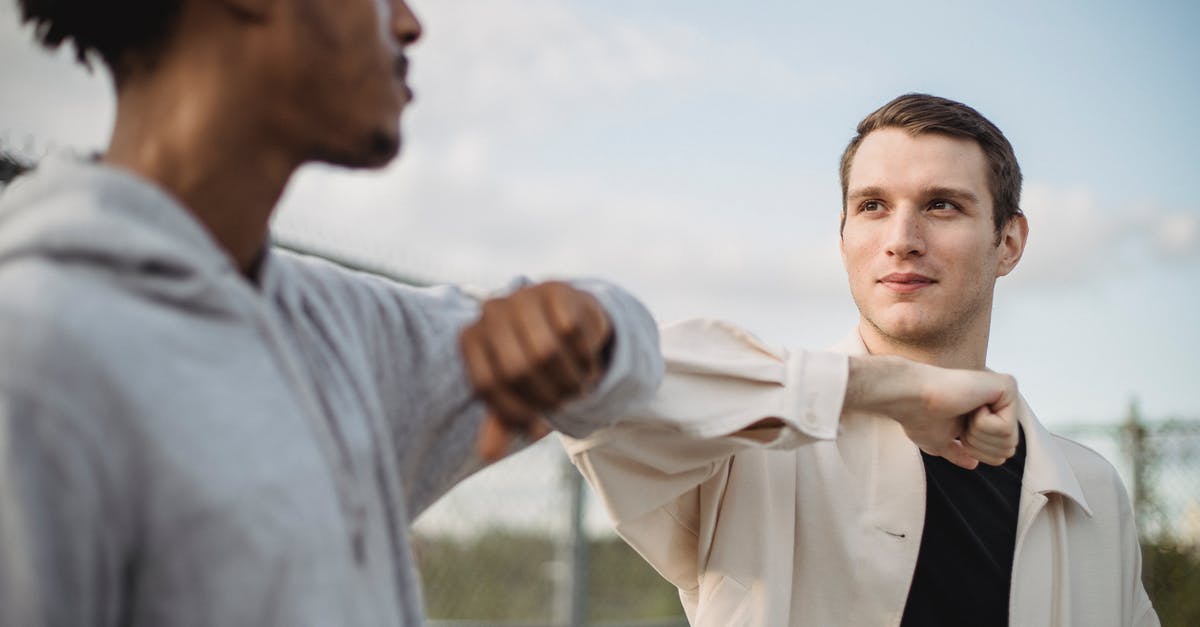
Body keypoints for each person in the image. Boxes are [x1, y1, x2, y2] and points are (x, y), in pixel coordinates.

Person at [0, 1, 667, 625]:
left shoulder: (334, 325)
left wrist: (582, 323)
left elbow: (630, 354)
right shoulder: (35, 358)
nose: (408, 24)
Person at [564, 94, 1159, 626]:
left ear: (1008, 242)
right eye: (873, 205)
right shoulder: (752, 450)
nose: (902, 237)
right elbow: (591, 383)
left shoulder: (1093, 493)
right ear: (843, 235)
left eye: (943, 205)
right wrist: (886, 389)